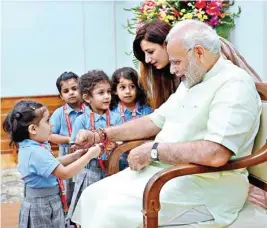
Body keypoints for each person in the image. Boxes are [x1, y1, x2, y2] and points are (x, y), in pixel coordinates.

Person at [71, 20, 262, 227]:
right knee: (92, 195)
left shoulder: (234, 84)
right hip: (168, 173)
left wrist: (153, 151)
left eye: (177, 62)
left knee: (108, 212)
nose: (172, 70)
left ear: (198, 52)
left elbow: (216, 153)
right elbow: (155, 120)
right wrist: (101, 135)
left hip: (207, 184)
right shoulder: (192, 80)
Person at [2, 100, 103, 228]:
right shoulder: (36, 152)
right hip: (42, 205)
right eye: (47, 121)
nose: (52, 124)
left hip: (46, 200)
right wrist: (90, 155)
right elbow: (64, 173)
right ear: (33, 129)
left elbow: (52, 165)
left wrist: (76, 155)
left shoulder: (32, 146)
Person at [133, 19, 263, 109]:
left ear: (166, 43)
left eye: (150, 52)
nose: (148, 59)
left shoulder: (211, 48)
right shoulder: (166, 74)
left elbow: (250, 86)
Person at [66, 70, 122, 225]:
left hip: (113, 170)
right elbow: (74, 148)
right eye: (101, 93)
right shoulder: (81, 121)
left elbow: (124, 143)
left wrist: (116, 144)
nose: (107, 96)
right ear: (87, 98)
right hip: (89, 171)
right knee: (86, 207)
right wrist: (88, 146)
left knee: (108, 206)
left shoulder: (117, 118)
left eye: (109, 92)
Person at [49, 71, 89, 206]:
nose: (71, 93)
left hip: (85, 152)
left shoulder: (89, 110)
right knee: (68, 185)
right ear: (61, 96)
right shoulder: (59, 113)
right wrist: (69, 139)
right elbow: (50, 135)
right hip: (67, 153)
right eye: (66, 91)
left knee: (85, 182)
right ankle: (69, 214)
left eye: (74, 88)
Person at [110, 67, 152, 170]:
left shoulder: (147, 111)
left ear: (138, 88)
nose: (128, 91)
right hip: (118, 159)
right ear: (115, 91)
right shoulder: (111, 113)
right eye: (122, 87)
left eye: (132, 86)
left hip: (143, 157)